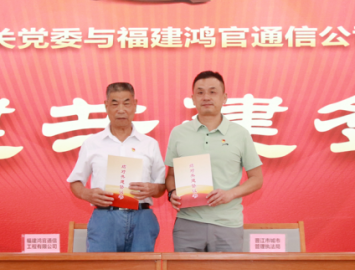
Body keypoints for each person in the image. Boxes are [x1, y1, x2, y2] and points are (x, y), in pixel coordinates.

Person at [165, 71, 263, 252]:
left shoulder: (240, 134)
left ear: (224, 98)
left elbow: (257, 179)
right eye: (200, 92)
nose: (206, 97)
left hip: (228, 224)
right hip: (187, 224)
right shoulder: (179, 133)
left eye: (212, 91)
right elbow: (171, 175)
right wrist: (172, 193)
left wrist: (230, 194)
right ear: (193, 99)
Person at [68, 82, 167, 252]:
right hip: (104, 218)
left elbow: (161, 186)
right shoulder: (92, 143)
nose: (121, 110)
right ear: (106, 106)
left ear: (135, 105)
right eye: (115, 104)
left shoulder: (150, 144)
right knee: (102, 268)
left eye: (126, 103)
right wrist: (86, 193)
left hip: (142, 218)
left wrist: (153, 189)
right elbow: (75, 181)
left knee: (142, 269)